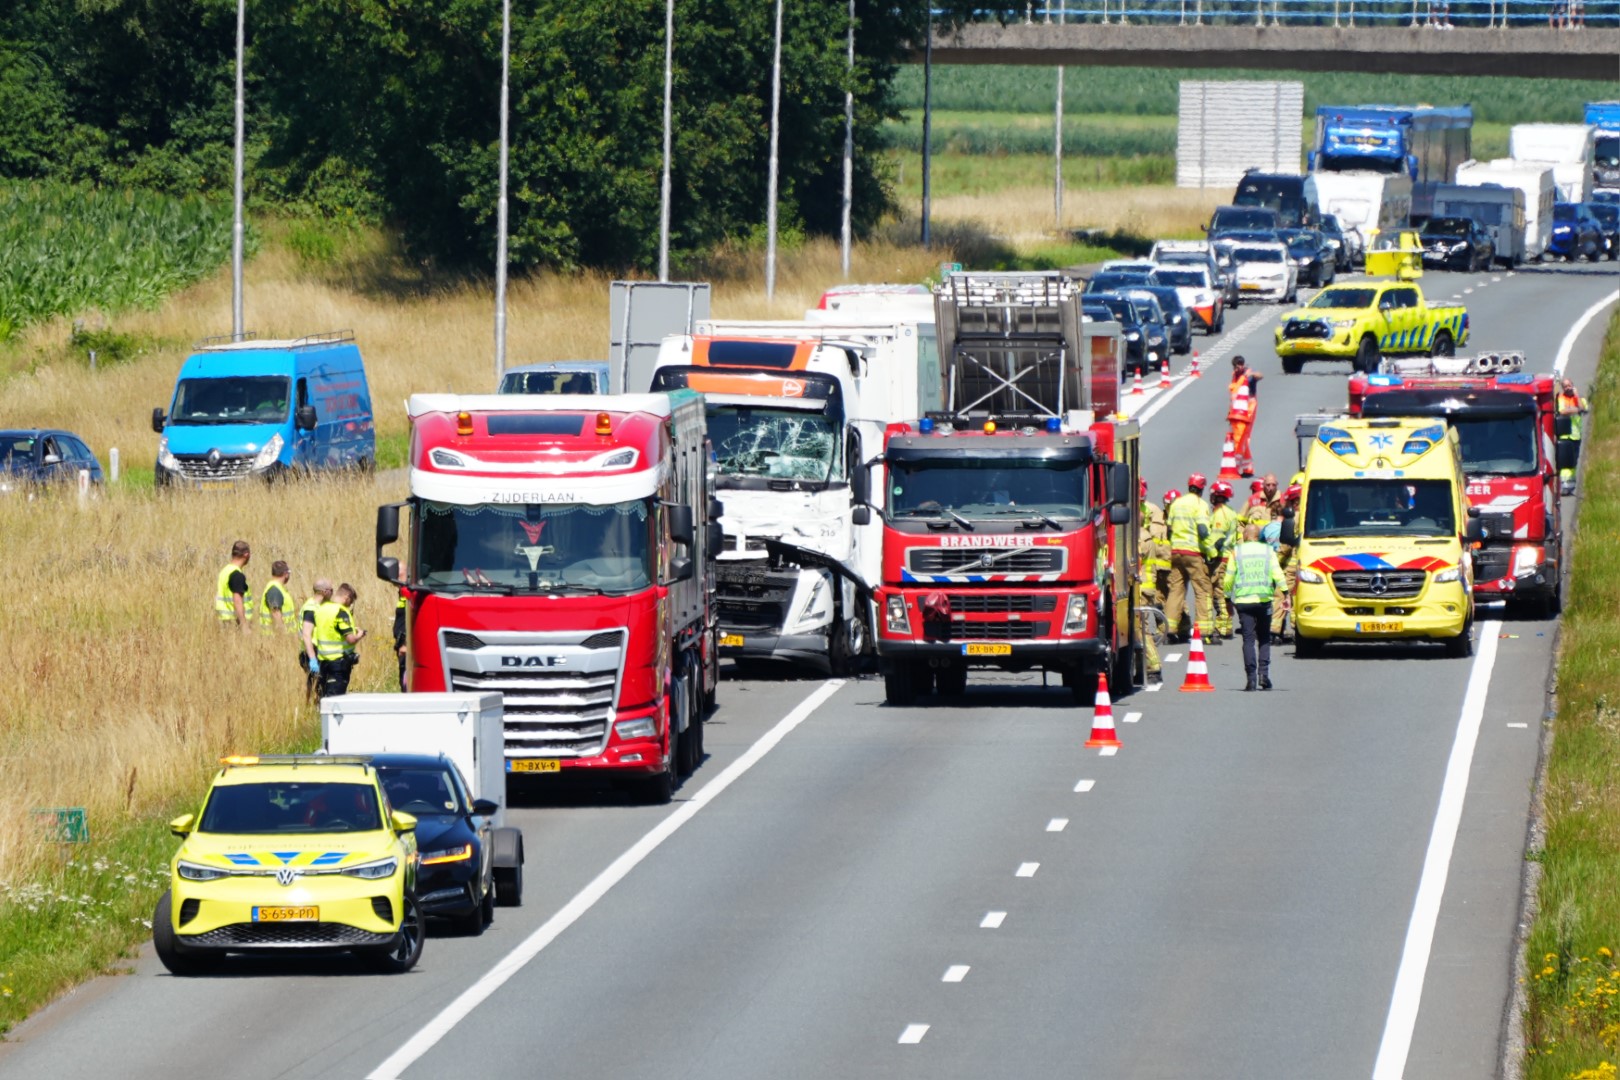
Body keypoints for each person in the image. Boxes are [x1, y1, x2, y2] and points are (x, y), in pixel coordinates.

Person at [1223, 523, 1287, 691]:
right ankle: (1263, 675)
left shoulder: (1236, 552)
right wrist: (1286, 593)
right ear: (1258, 536)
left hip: (1243, 602)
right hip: (1263, 600)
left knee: (1248, 640)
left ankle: (1251, 679)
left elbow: (1228, 578)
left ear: (1245, 535)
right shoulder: (1268, 551)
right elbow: (1277, 572)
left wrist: (1227, 599)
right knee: (1264, 638)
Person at [1164, 474, 1217, 643]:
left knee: (1176, 590)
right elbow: (1203, 531)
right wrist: (1212, 552)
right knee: (1203, 589)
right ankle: (1206, 631)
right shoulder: (1200, 504)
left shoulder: (1177, 503)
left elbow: (1170, 529)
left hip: (1175, 551)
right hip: (1193, 553)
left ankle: (1170, 629)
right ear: (1201, 489)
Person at [1138, 480, 1172, 685]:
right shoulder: (1147, 535)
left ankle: (1153, 667)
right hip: (1147, 587)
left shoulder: (1139, 539)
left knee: (1140, 630)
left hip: (1141, 588)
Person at [314, 583, 366, 698]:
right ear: (346, 597)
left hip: (323, 661)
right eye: (351, 601)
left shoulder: (322, 609)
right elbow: (350, 639)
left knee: (323, 697)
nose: (350, 604)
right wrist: (360, 635)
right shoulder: (341, 612)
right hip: (338, 662)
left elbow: (330, 630)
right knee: (335, 699)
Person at [1207, 480, 1242, 642]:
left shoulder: (1220, 514)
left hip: (1220, 558)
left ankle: (1222, 627)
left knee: (1218, 593)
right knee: (1223, 592)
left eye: (1213, 494)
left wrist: (1210, 557)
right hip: (1228, 557)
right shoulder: (1231, 512)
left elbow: (1216, 538)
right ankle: (1225, 626)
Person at [1269, 483, 1302, 641]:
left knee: (1281, 595)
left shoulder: (1292, 519)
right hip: (1308, 565)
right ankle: (1298, 629)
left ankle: (1275, 631)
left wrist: (1274, 563)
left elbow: (1286, 546)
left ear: (1293, 502)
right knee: (1298, 597)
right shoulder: (1312, 515)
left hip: (1290, 566)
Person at [1227, 356, 1264, 478]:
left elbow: (1260, 375)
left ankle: (1237, 465)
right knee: (1241, 437)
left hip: (1249, 408)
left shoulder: (1247, 374)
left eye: (1241, 364)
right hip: (1237, 412)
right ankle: (1247, 466)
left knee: (1243, 436)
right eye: (1237, 365)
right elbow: (1234, 395)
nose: (1239, 367)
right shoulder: (1235, 376)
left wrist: (1251, 374)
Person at [301, 578, 333, 702]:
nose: (332, 593)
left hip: (313, 650)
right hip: (311, 651)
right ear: (325, 592)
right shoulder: (311, 608)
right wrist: (313, 659)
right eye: (331, 590)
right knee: (316, 687)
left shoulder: (313, 604)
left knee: (314, 686)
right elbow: (307, 634)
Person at [1557, 377, 1587, 495]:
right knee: (1564, 462)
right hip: (1565, 436)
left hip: (1576, 436)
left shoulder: (1579, 399)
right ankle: (1563, 485)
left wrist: (1576, 396)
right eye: (1565, 386)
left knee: (1574, 461)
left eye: (1569, 385)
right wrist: (1576, 410)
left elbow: (1583, 408)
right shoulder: (1561, 398)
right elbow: (1562, 411)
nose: (1568, 388)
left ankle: (1570, 486)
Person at [215, 540, 253, 628]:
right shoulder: (237, 575)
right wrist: (244, 625)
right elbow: (237, 600)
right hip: (235, 623)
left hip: (225, 621)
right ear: (246, 554)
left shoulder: (225, 571)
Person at [259, 561, 296, 634]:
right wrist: (282, 634)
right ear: (286, 574)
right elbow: (276, 614)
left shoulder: (277, 588)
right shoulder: (274, 590)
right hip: (274, 637)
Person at [393, 588, 409, 693]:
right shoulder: (402, 595)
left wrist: (406, 644)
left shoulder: (411, 593)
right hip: (402, 646)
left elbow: (412, 620)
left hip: (407, 647)